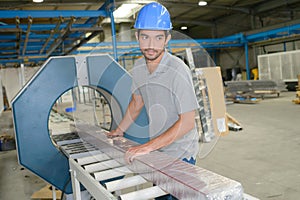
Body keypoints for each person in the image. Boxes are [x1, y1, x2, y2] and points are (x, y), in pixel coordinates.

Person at [108, 2, 199, 165]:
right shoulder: (138, 67)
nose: (151, 45)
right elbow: (137, 102)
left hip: (181, 153)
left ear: (167, 39)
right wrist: (119, 131)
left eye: (158, 38)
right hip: (157, 148)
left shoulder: (178, 70)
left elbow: (187, 122)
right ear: (137, 37)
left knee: (172, 191)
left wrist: (147, 147)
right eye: (145, 37)